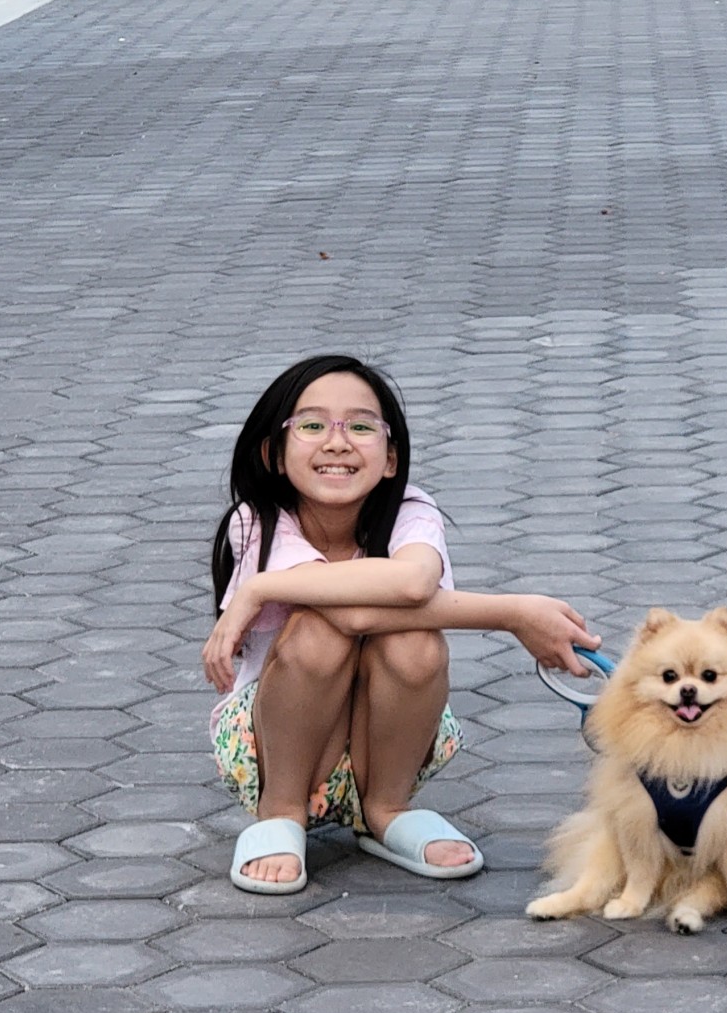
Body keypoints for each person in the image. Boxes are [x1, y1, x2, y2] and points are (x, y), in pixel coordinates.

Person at [203, 353, 600, 895]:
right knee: (320, 630)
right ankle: (281, 812)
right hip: (274, 748)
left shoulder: (413, 510)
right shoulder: (259, 522)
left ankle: (387, 809)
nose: (337, 442)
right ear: (273, 453)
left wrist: (262, 590)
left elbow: (414, 585)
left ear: (390, 458)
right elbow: (354, 611)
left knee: (415, 638)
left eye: (361, 426)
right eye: (312, 425)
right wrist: (513, 613)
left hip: (387, 740)